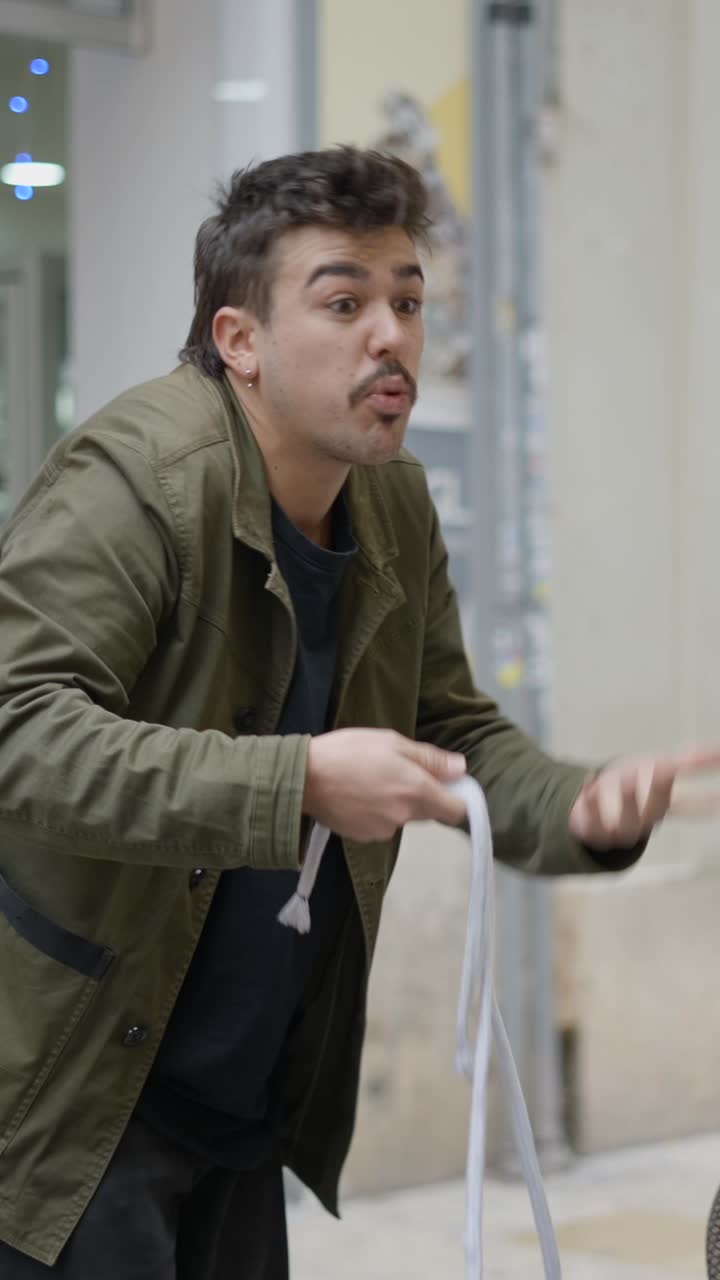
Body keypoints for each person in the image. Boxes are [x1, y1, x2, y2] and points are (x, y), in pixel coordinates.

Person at [0, 146, 715, 1280]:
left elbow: (455, 726)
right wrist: (299, 782)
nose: (391, 334)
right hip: (75, 1088)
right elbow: (21, 733)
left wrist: (581, 805)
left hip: (241, 1086)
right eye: (344, 301)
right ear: (240, 340)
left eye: (409, 301)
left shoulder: (388, 495)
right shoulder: (134, 478)